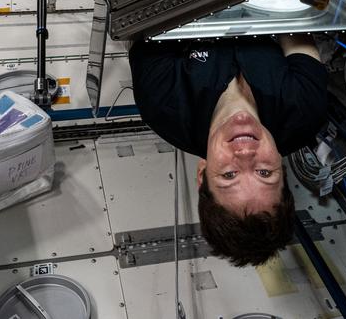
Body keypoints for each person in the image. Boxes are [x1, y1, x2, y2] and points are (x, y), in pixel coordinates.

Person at [128, 34, 327, 266]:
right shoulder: (306, 111)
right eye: (264, 172)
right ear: (281, 167)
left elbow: (153, 19)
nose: (245, 154)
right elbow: (296, 31)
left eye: (229, 175)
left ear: (202, 174)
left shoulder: (162, 104)